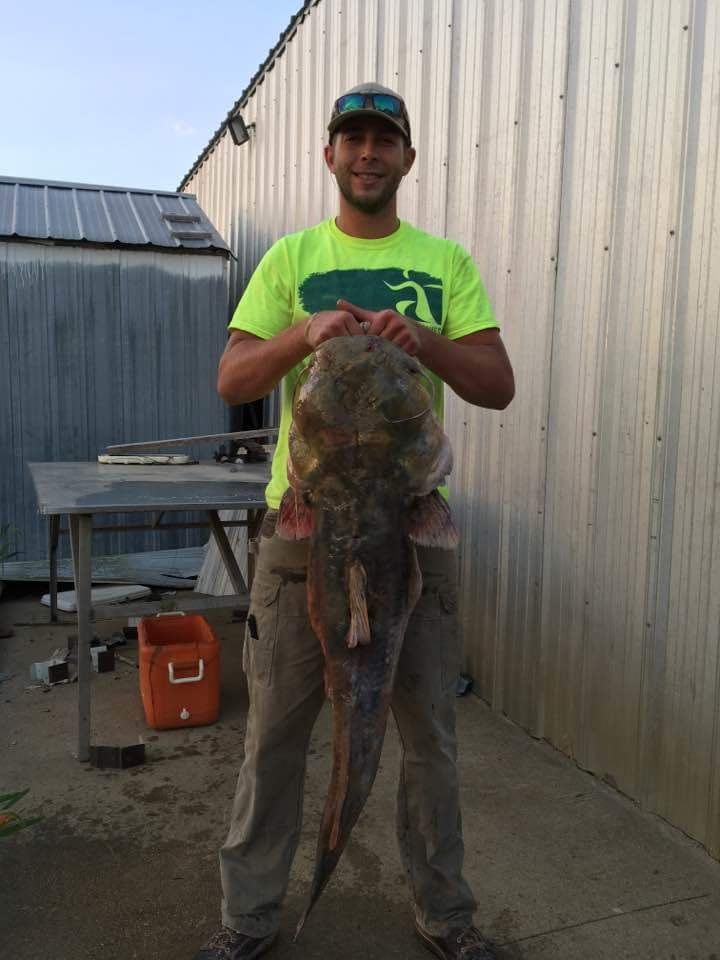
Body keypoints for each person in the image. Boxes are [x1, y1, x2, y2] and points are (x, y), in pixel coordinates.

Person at [194, 82, 515, 960]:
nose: (368, 154)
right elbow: (233, 380)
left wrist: (428, 341)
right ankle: (249, 920)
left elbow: (496, 384)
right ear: (329, 156)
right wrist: (300, 338)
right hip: (307, 534)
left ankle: (446, 916)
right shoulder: (291, 258)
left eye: (385, 140)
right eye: (353, 140)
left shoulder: (444, 263)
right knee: (275, 737)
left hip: (412, 531)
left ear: (407, 158)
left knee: (429, 741)